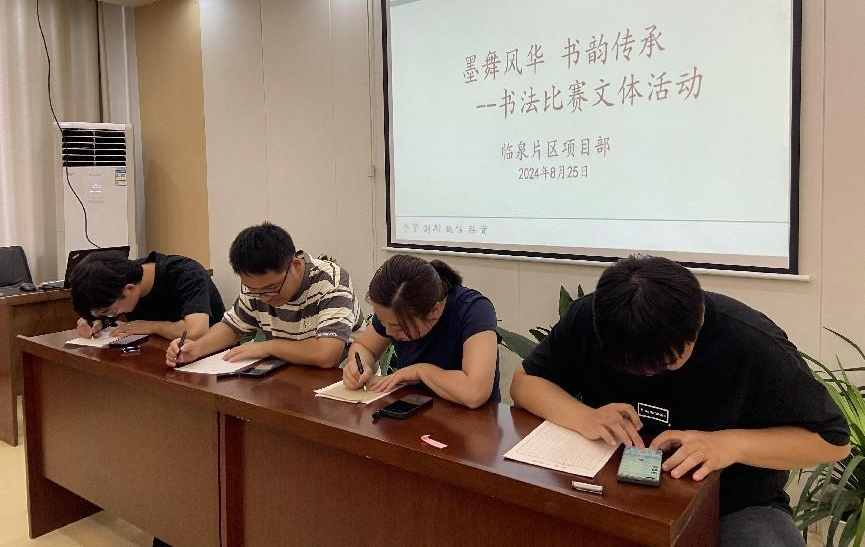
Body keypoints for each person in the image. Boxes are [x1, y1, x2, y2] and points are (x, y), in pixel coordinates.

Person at [510, 256, 849, 547]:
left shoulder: (750, 342)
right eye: (631, 367)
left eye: (666, 364)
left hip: (733, 503)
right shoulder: (592, 317)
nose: (648, 376)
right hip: (614, 488)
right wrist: (585, 417)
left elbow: (832, 442)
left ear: (697, 322)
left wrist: (729, 444)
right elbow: (525, 382)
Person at [166, 222, 360, 368]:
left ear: (295, 265)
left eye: (272, 288)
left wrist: (267, 347)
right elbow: (232, 327)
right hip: (287, 374)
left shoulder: (331, 281)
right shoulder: (256, 286)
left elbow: (327, 354)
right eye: (253, 290)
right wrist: (197, 348)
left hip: (340, 380)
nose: (264, 297)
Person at [342, 254, 499, 409]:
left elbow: (475, 392)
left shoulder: (474, 310)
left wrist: (421, 371)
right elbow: (364, 347)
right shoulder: (393, 311)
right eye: (382, 322)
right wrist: (359, 366)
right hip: (414, 409)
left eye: (398, 327)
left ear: (435, 310)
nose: (388, 332)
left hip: (470, 419)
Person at [70, 250, 225, 340]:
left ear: (129, 289)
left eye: (108, 311)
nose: (111, 314)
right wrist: (95, 320)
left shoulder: (186, 274)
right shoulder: (122, 278)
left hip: (209, 360)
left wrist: (151, 326)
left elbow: (195, 331)